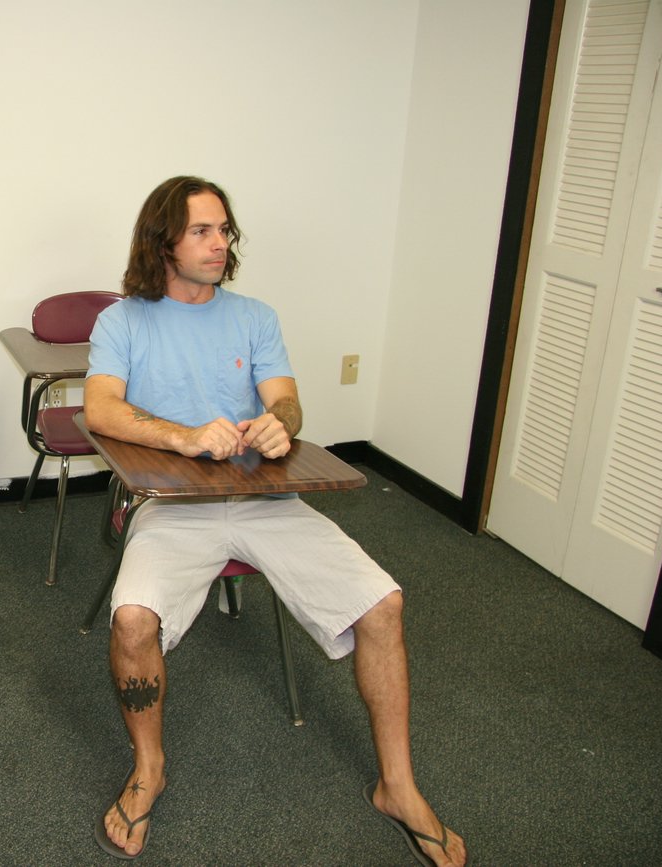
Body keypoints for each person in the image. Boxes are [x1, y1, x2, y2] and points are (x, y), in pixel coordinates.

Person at [84, 177, 466, 865]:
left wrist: (278, 425)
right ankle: (149, 767)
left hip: (264, 499)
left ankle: (398, 786)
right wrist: (184, 437)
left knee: (384, 604)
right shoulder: (124, 321)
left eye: (224, 230)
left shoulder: (254, 316)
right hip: (172, 505)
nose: (220, 243)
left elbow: (287, 400)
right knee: (132, 621)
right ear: (163, 242)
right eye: (202, 231)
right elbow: (102, 410)